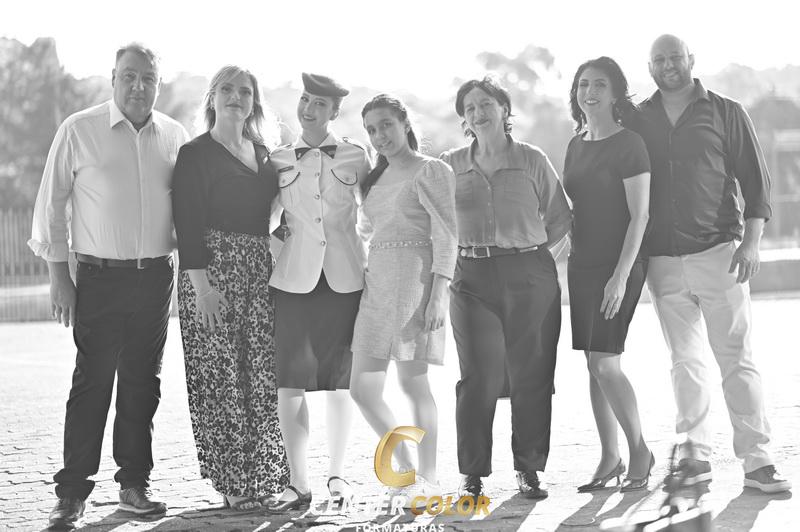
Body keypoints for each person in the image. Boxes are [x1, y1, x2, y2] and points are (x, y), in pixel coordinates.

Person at [28, 43, 189, 528]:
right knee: (92, 382)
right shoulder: (79, 129)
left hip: (155, 277)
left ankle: (134, 486)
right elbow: (52, 206)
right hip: (98, 277)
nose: (139, 86)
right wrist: (60, 277)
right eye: (129, 76)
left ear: (158, 83)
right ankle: (71, 494)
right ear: (113, 77)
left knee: (143, 384)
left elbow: (190, 206)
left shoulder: (174, 136)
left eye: (148, 78)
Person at [631, 34, 791, 493]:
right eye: (659, 59)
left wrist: (752, 244)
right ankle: (694, 456)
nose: (668, 66)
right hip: (663, 260)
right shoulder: (639, 118)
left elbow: (756, 183)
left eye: (675, 58)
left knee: (736, 359)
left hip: (720, 253)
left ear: (691, 60)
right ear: (649, 66)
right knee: (684, 361)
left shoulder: (726, 111)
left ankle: (758, 460)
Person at [441, 76, 572, 501]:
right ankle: (472, 473)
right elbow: (435, 220)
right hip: (471, 277)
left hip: (530, 274)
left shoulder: (532, 159)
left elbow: (560, 216)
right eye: (470, 107)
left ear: (504, 109)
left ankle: (529, 468)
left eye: (486, 104)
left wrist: (530, 253)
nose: (478, 112)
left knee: (531, 372)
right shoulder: (450, 164)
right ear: (464, 118)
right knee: (478, 375)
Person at [171, 65, 289, 511]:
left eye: (244, 91)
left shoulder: (265, 155)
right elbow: (187, 225)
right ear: (212, 98)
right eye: (227, 89)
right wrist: (202, 288)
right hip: (210, 275)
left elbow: (280, 214)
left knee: (260, 375)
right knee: (220, 379)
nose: (236, 97)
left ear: (254, 102)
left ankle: (263, 475)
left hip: (258, 274)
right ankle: (233, 481)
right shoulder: (195, 154)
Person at [264, 73, 371, 513]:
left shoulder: (356, 155)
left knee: (340, 384)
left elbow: (374, 213)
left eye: (319, 104)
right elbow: (264, 220)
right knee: (289, 383)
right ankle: (298, 482)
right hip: (292, 283)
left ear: (334, 111)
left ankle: (338, 474)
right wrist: (282, 252)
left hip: (345, 281)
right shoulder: (277, 158)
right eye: (305, 99)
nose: (309, 109)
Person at [349, 95, 457, 504]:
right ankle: (406, 469)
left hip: (416, 282)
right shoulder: (374, 178)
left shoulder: (431, 170)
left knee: (413, 383)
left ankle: (428, 478)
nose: (379, 136)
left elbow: (447, 234)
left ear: (405, 123)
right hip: (377, 284)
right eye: (371, 130)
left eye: (386, 125)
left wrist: (439, 294)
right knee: (362, 389)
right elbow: (365, 232)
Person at [564, 57, 653, 492]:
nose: (590, 92)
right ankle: (609, 457)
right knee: (593, 364)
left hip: (620, 264)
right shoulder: (575, 143)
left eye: (600, 84)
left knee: (605, 362)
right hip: (581, 265)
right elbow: (574, 209)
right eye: (583, 84)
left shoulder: (630, 144)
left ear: (616, 92)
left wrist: (620, 276)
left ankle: (640, 451)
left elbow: (640, 216)